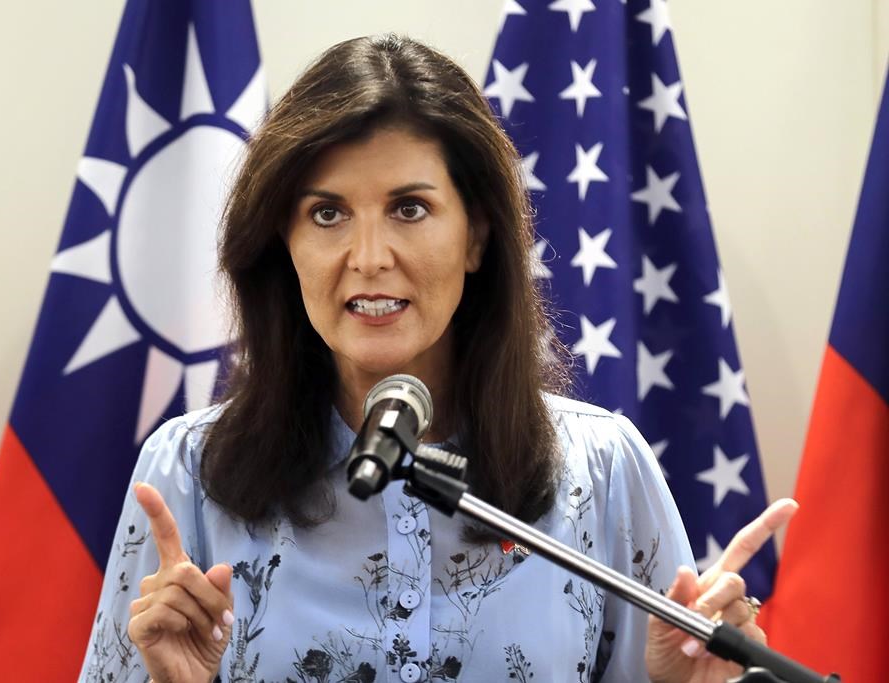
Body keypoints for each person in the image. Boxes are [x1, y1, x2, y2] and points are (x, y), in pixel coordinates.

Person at [78, 35, 795, 682]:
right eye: (327, 213)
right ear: (282, 244)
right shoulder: (188, 473)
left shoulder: (603, 469)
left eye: (409, 208)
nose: (368, 258)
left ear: (477, 235)